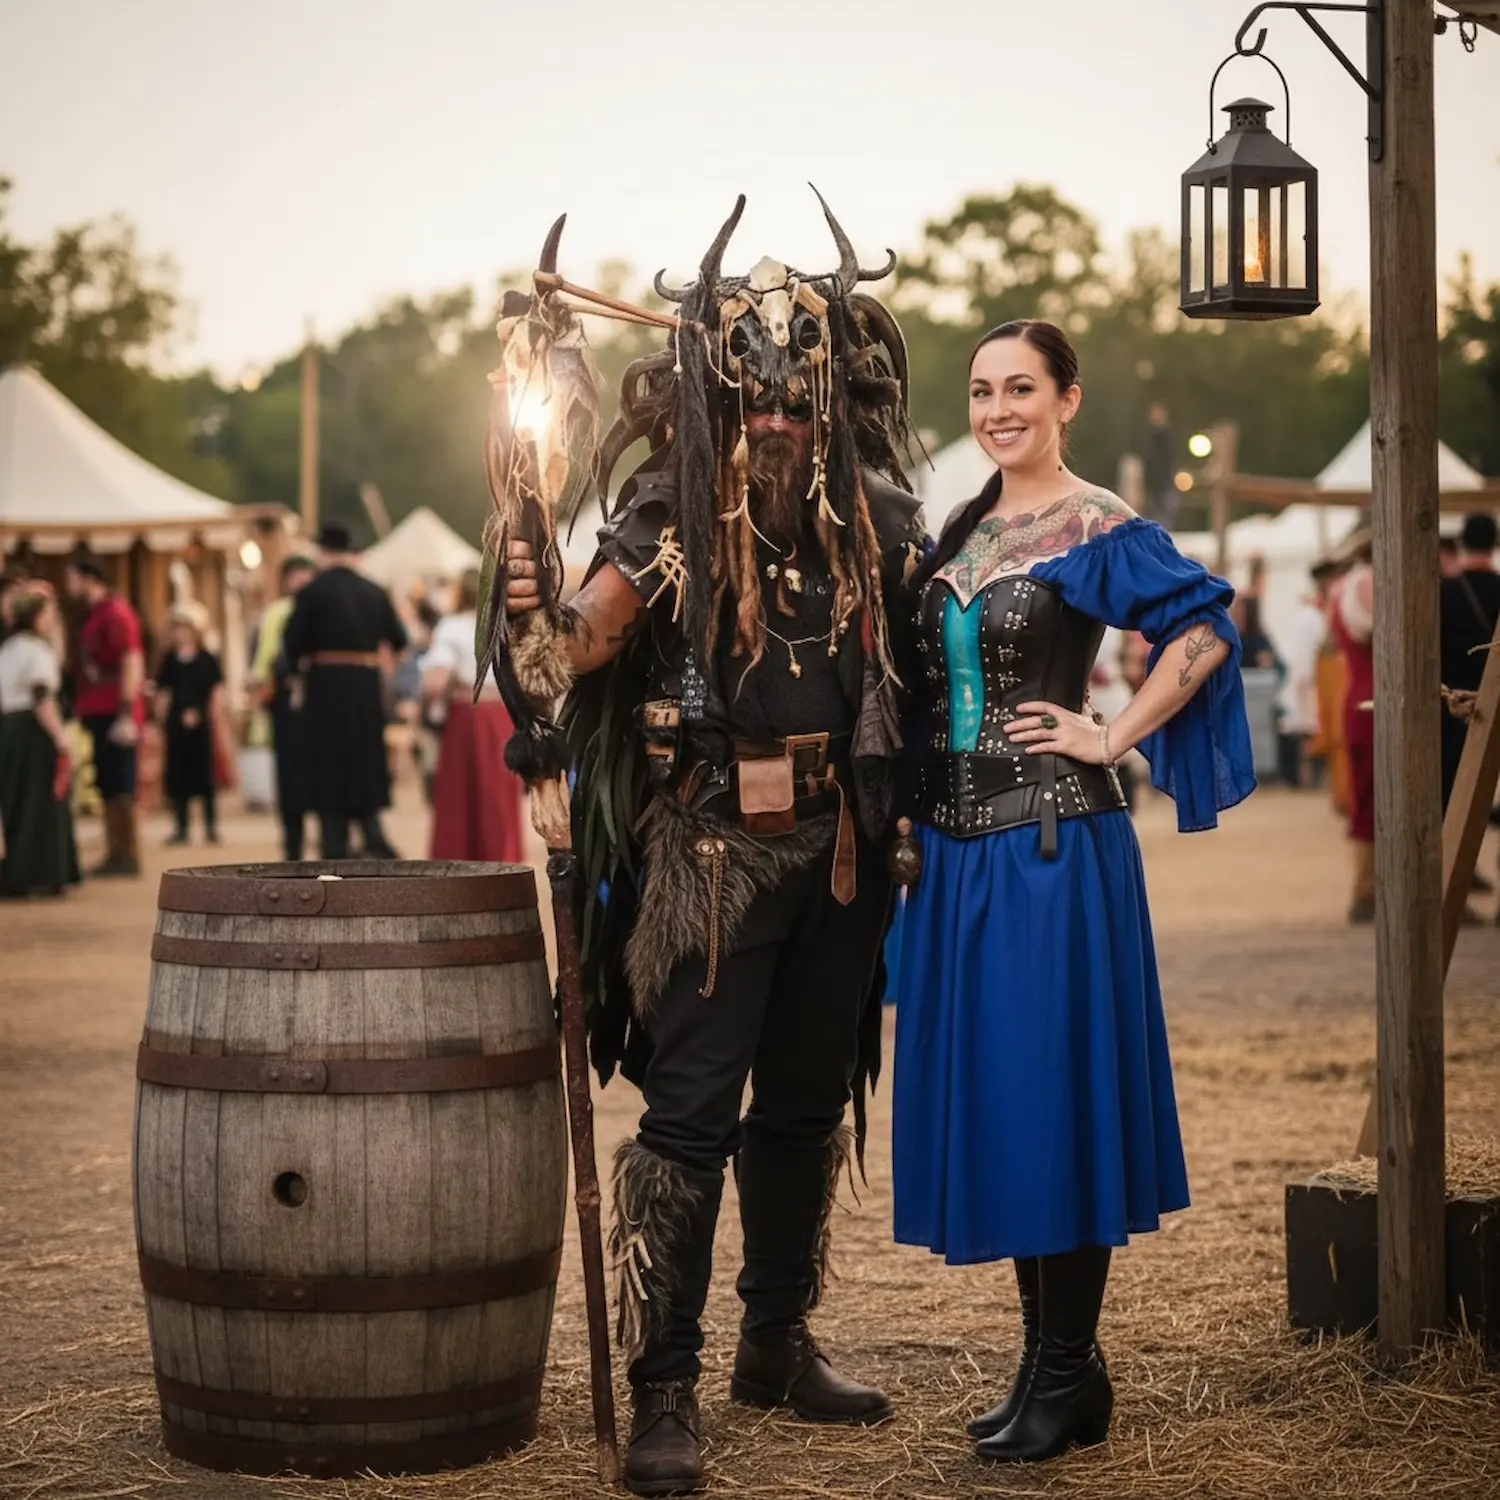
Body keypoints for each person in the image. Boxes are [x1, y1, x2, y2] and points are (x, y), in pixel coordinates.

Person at [501, 196, 922, 1497]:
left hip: (843, 858)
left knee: (803, 1107)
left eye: (798, 400)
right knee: (688, 1122)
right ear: (717, 395)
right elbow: (566, 655)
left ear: (831, 400)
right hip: (711, 864)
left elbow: (944, 658)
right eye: (757, 400)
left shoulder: (880, 518)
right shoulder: (671, 517)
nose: (778, 421)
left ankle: (775, 1346)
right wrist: (528, 599)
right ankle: (665, 1387)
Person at [892, 320, 1254, 1465]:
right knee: (1009, 1104)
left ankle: (1062, 1372)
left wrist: (1113, 734)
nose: (998, 410)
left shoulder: (1095, 524)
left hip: (1050, 849)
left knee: (1051, 1098)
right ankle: (1057, 1370)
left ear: (1066, 400)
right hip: (958, 857)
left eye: (1021, 389)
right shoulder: (959, 530)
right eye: (982, 391)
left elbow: (1205, 626)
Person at [283, 524, 407, 861]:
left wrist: (299, 672)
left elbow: (292, 645)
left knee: (328, 759)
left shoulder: (310, 593)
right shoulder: (374, 591)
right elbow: (399, 640)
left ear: (323, 551)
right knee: (364, 757)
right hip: (365, 684)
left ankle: (333, 839)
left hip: (324, 685)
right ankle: (373, 834)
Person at [422, 570, 525, 863]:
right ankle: (502, 859)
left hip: (468, 715)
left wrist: (431, 703)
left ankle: (458, 859)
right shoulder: (508, 623)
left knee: (460, 793)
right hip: (502, 713)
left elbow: (435, 681)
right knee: (498, 794)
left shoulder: (451, 627)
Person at [64, 553, 145, 877]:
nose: (70, 585)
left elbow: (131, 658)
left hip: (114, 707)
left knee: (121, 781)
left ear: (88, 578)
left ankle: (127, 853)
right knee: (107, 781)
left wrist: (126, 708)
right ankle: (115, 851)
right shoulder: (92, 614)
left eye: (73, 578)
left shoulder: (115, 612)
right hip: (96, 707)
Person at [0, 586, 81, 897]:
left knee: (15, 801)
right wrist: (61, 739)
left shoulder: (8, 649)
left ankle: (15, 875)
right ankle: (45, 874)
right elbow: (41, 698)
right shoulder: (36, 651)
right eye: (48, 614)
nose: (52, 620)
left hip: (10, 731)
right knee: (42, 802)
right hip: (34, 734)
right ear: (35, 617)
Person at [249, 555, 318, 860]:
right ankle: (293, 844)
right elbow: (265, 658)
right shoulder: (276, 612)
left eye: (305, 572)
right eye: (294, 573)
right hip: (286, 700)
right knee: (288, 775)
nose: (300, 579)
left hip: (317, 703)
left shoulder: (320, 607)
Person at [1326, 529, 1375, 922]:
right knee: (1372, 799)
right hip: (1375, 701)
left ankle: (1366, 886)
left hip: (1355, 698)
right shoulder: (1366, 585)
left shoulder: (1340, 589)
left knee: (1365, 797)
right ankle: (1366, 887)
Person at [153, 603, 225, 845]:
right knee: (178, 776)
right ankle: (181, 826)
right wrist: (161, 718)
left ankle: (211, 826)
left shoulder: (207, 660)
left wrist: (211, 717)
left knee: (204, 776)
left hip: (201, 723)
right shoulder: (169, 661)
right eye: (178, 629)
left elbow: (215, 692)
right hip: (176, 724)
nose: (181, 634)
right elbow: (163, 692)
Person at [1274, 567, 1331, 788]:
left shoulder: (1303, 616)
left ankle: (1302, 777)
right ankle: (1305, 778)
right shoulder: (1313, 618)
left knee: (1303, 728)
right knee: (1308, 729)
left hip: (1301, 678)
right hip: (1309, 679)